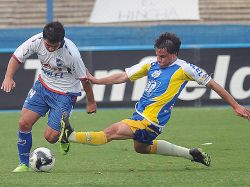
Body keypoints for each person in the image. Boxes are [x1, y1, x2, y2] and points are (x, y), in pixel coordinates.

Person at [59, 32, 250, 167]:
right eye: (157, 55)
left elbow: (213, 84)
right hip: (140, 115)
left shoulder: (186, 69)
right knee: (141, 148)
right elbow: (123, 76)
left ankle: (69, 135)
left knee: (109, 132)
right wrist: (97, 80)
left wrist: (236, 106)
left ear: (174, 54)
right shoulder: (151, 64)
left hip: (150, 121)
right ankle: (190, 154)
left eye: (163, 56)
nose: (159, 59)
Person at [1, 21, 97, 172]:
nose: (51, 48)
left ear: (62, 41)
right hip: (42, 87)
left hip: (65, 94)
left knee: (50, 137)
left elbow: (84, 79)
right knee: (24, 123)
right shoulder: (36, 41)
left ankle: (65, 134)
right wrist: (8, 77)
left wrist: (91, 102)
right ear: (43, 38)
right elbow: (17, 57)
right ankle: (24, 164)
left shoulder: (72, 54)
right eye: (48, 45)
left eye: (55, 45)